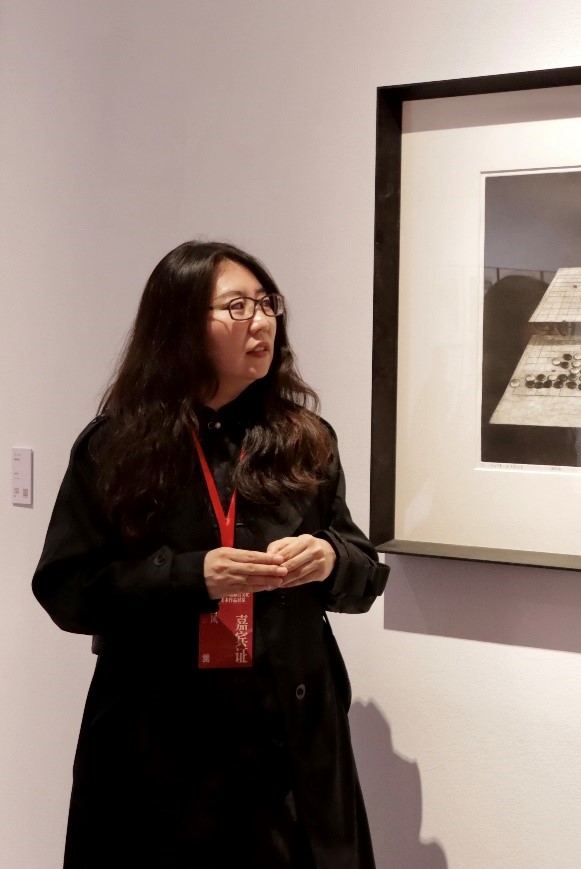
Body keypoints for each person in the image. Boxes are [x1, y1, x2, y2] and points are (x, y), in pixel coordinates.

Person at [32, 240, 390, 868]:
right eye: (237, 306)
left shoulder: (305, 439)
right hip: (162, 745)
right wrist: (190, 575)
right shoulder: (117, 447)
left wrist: (332, 559)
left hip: (289, 741)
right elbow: (67, 587)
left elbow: (363, 569)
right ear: (180, 325)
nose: (262, 322)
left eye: (267, 303)